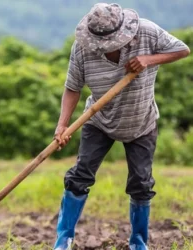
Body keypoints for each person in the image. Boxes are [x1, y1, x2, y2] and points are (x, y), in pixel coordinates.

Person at [53, 3, 190, 250]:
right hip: (99, 121)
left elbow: (183, 50)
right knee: (79, 177)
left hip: (141, 121)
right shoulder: (83, 49)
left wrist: (149, 59)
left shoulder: (147, 32)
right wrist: (62, 126)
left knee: (141, 183)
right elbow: (72, 87)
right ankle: (64, 239)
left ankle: (138, 243)